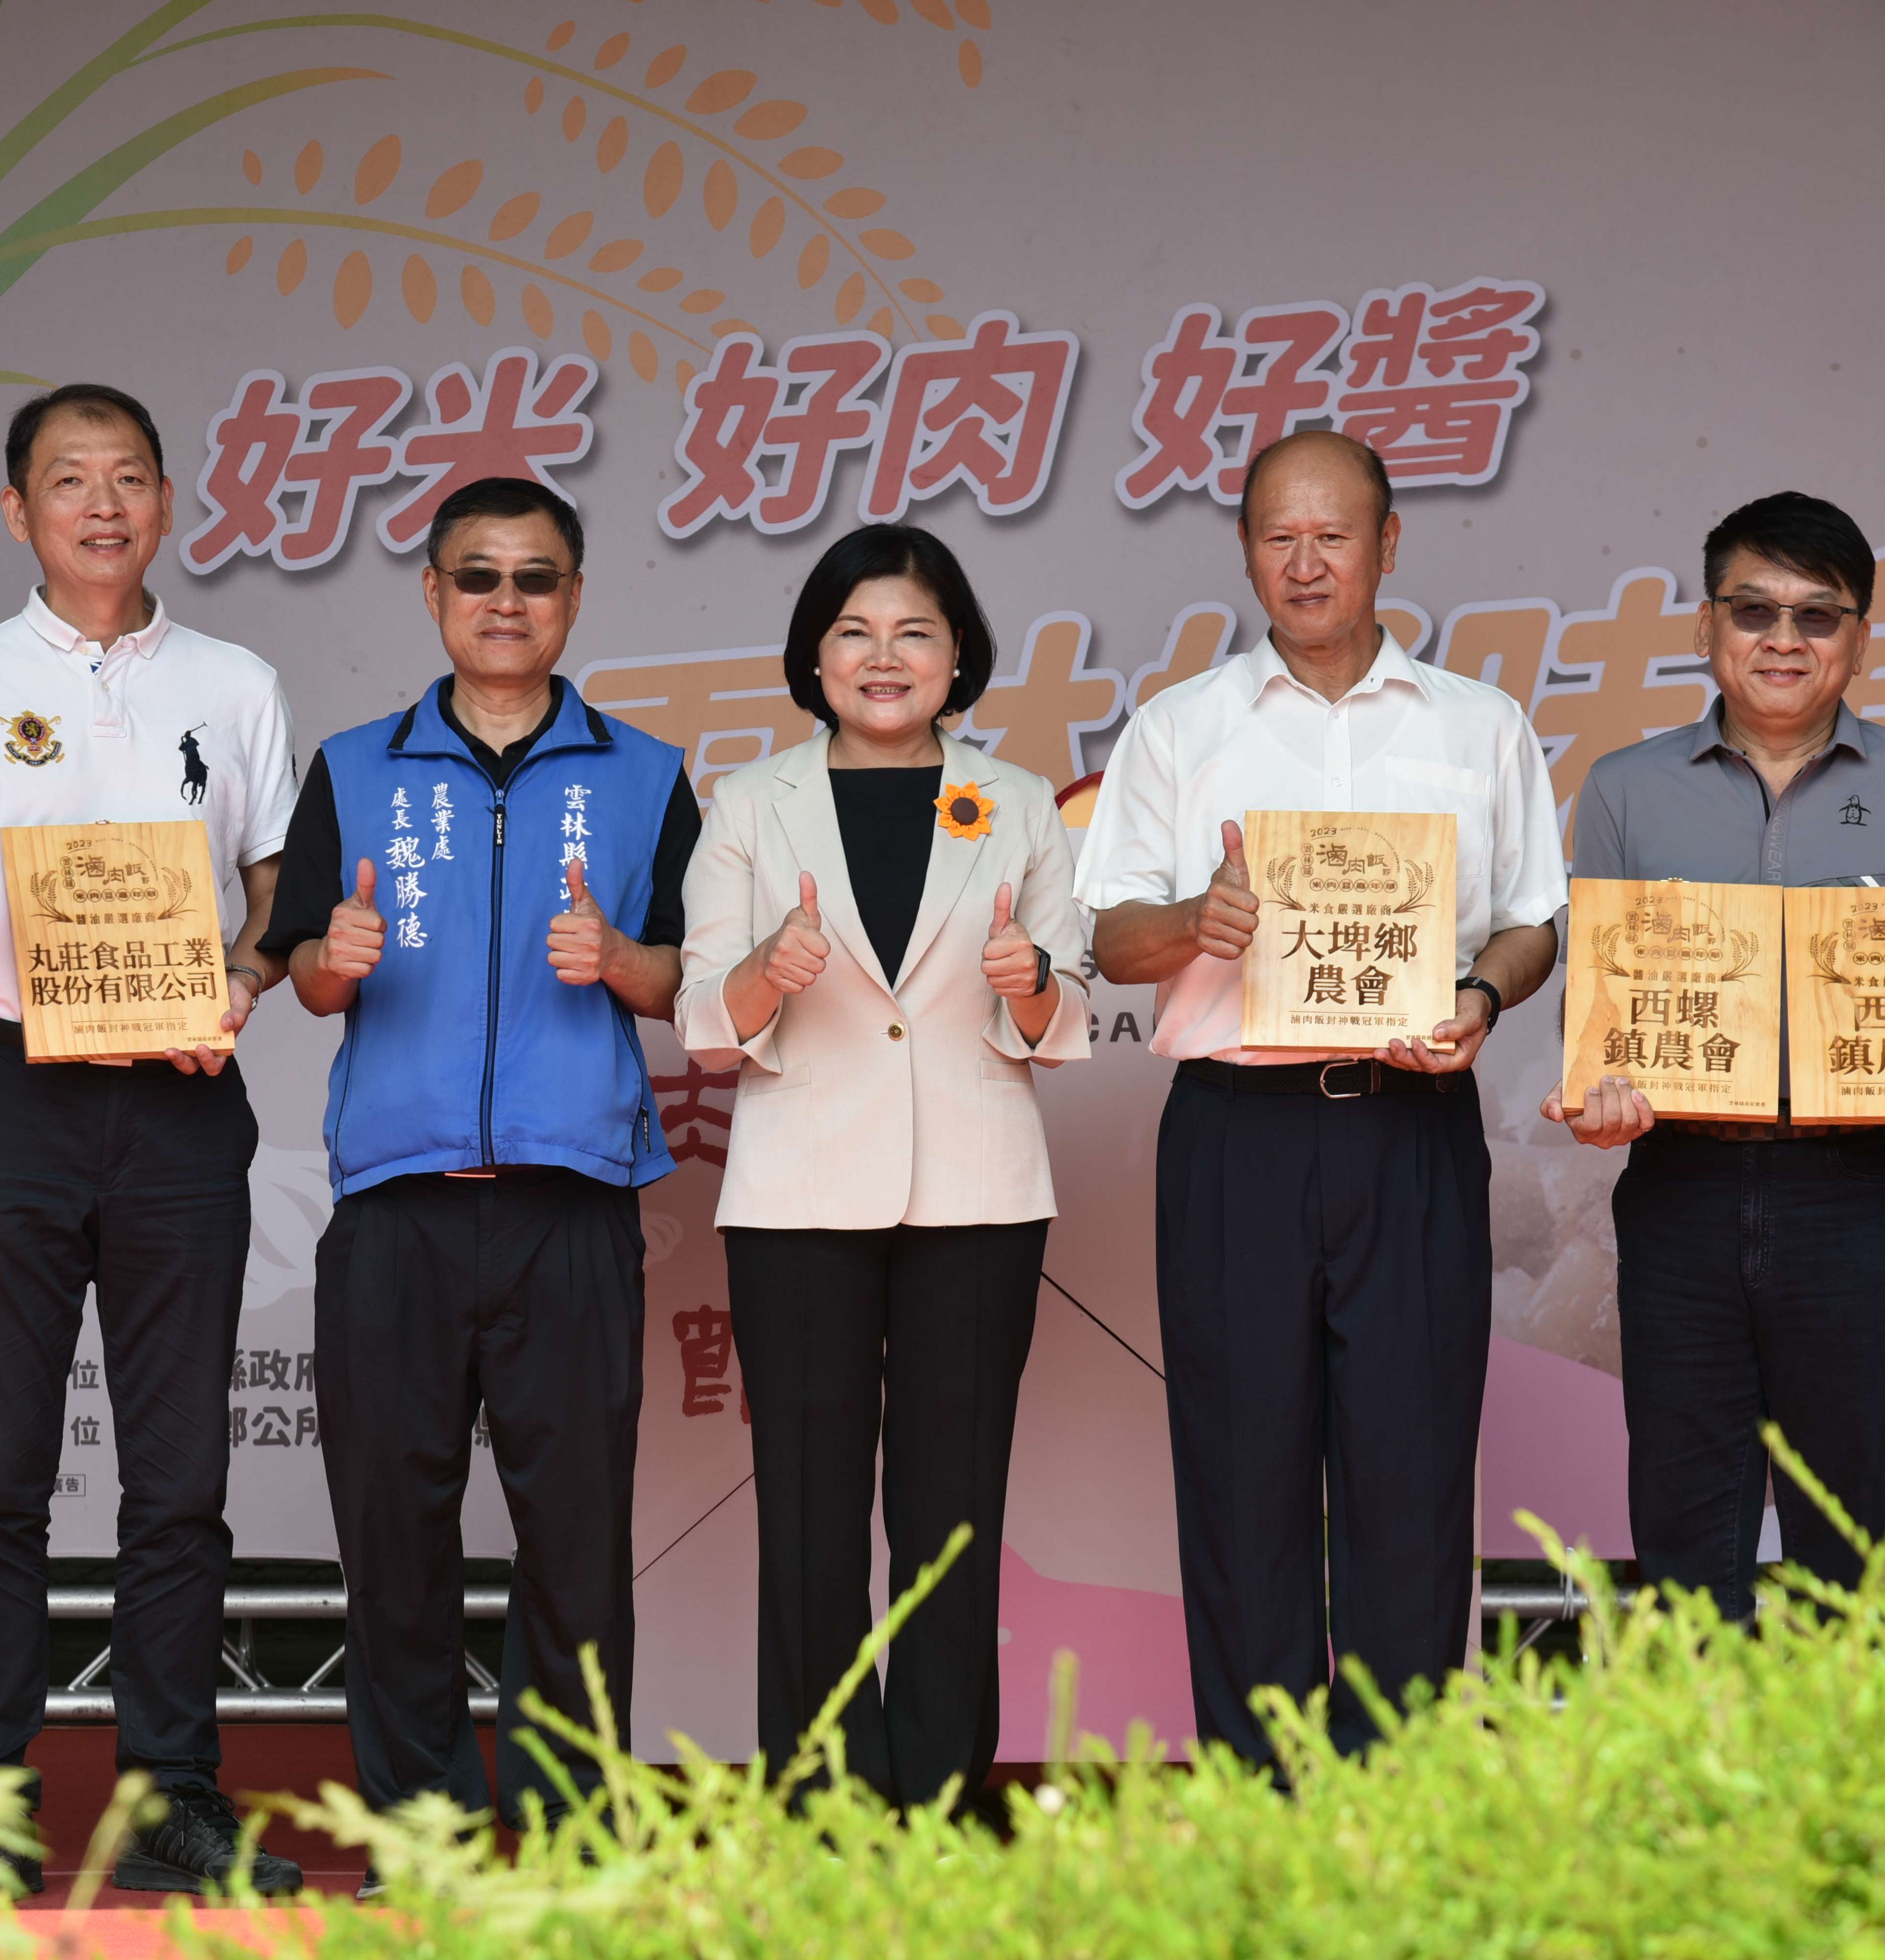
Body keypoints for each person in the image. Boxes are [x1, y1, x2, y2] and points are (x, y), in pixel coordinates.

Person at [1074, 429, 1566, 1764]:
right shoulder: (1180, 729)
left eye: (1333, 535)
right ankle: (1261, 1808)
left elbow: (1534, 922)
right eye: (1278, 538)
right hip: (1240, 1136)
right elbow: (1109, 938)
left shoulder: (1480, 725)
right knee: (1244, 1481)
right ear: (1246, 554)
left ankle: (1394, 1812)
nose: (1307, 563)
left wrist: (1481, 998)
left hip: (1412, 1128)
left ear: (1388, 546)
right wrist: (1197, 919)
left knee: (1413, 1482)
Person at [0, 384, 304, 1899]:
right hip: (9, 1087)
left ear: (168, 499)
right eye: (71, 480)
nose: (103, 505)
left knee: (180, 1469)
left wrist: (248, 980)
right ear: (20, 513)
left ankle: (170, 1793)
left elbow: (278, 892)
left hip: (183, 1095)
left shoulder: (236, 680)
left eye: (131, 476)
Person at [260, 475, 694, 1874]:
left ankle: (572, 1824)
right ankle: (421, 1823)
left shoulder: (645, 774)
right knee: (395, 1529)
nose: (507, 603)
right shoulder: (352, 767)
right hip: (394, 1201)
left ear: (575, 598)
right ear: (434, 596)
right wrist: (335, 960)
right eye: (479, 578)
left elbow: (696, 973)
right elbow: (305, 981)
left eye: (536, 579)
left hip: (573, 1198)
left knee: (577, 1538)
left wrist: (622, 964)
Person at [675, 524, 1088, 1808]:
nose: (883, 655)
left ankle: (939, 1799)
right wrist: (769, 974)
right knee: (805, 1513)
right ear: (812, 657)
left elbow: (1062, 1020)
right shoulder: (750, 802)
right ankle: (814, 1798)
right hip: (800, 1200)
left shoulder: (1016, 802)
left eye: (914, 630)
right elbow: (705, 1010)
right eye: (853, 631)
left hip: (977, 1195)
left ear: (959, 653)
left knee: (952, 1517)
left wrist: (1030, 986)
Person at [1541, 490, 1885, 1621]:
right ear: (1704, 628)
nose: (1783, 640)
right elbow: (1595, 1014)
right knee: (1683, 1533)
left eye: (1818, 615)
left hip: (1855, 1198)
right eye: (1753, 610)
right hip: (1680, 1194)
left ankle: (1828, 1796)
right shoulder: (1620, 789)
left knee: (1841, 1546)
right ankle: (1703, 1794)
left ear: (1860, 638)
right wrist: (1597, 1098)